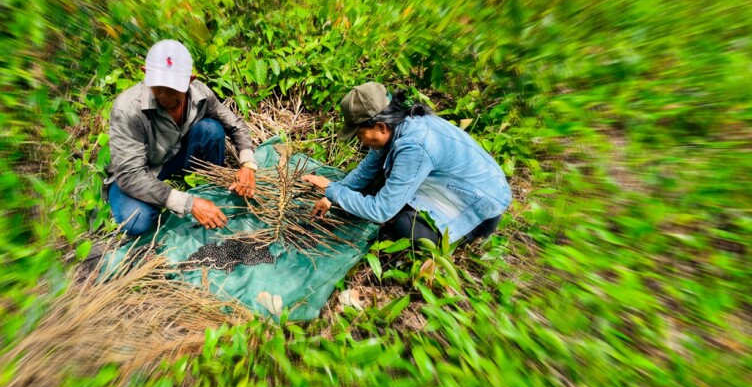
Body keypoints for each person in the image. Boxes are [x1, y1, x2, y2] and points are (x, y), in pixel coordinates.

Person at [302, 82, 511, 246]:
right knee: (375, 184)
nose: (361, 143)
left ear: (380, 127)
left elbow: (380, 211)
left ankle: (461, 236)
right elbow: (367, 169)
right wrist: (332, 197)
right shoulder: (398, 127)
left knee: (402, 224)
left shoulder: (415, 146)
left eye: (359, 135)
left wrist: (332, 189)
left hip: (479, 206)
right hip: (459, 186)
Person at [104, 39, 259, 237]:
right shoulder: (127, 109)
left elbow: (235, 124)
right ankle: (187, 202)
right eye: (158, 86)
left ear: (190, 79)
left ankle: (212, 192)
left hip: (175, 155)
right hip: (140, 172)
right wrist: (188, 203)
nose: (164, 95)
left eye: (173, 88)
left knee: (211, 130)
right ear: (145, 72)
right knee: (136, 220)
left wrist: (247, 164)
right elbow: (130, 175)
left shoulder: (200, 94)